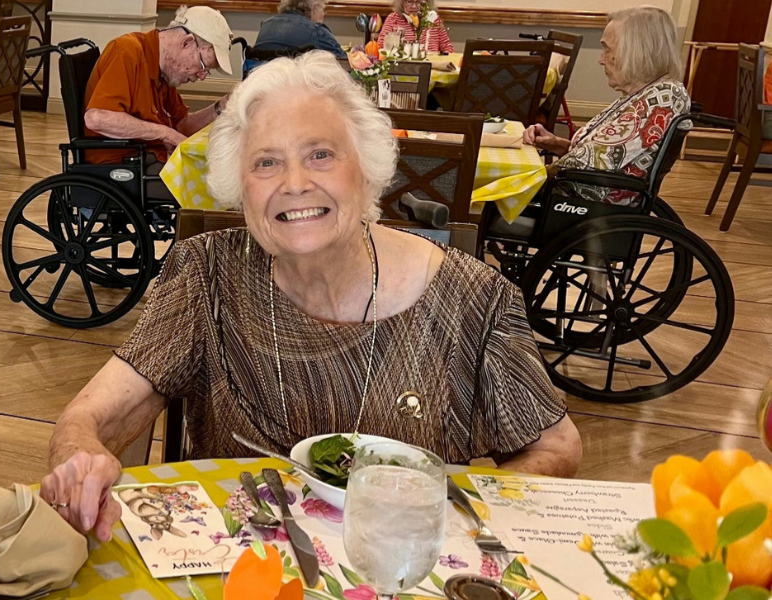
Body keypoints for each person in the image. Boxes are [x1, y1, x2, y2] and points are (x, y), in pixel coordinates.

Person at [42, 52, 582, 542]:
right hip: (241, 568)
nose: (295, 183)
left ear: (368, 170)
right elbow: (90, 417)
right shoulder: (206, 273)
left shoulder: (472, 299)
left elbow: (555, 447)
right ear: (239, 185)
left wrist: (456, 523)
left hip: (395, 567)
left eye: (321, 154)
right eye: (266, 162)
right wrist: (78, 456)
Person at [523, 5, 690, 205]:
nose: (601, 59)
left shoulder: (663, 97)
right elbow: (600, 156)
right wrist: (557, 143)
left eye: (608, 49)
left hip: (579, 205)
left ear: (636, 52)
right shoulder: (643, 94)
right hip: (572, 194)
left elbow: (595, 162)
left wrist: (530, 179)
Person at [82, 5, 234, 173]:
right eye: (203, 66)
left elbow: (182, 126)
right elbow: (96, 118)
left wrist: (222, 106)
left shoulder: (164, 72)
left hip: (148, 159)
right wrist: (163, 133)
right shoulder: (128, 51)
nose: (203, 76)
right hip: (119, 165)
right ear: (186, 43)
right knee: (210, 185)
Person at [245, 0, 345, 75]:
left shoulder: (266, 25)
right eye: (323, 10)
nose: (323, 14)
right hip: (300, 89)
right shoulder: (316, 30)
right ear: (314, 8)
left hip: (265, 85)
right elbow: (344, 64)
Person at [376, 0, 454, 54]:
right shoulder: (393, 18)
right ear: (402, 2)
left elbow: (447, 47)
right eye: (409, 1)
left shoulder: (434, 19)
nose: (414, 6)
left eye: (419, 2)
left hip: (431, 70)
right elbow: (381, 47)